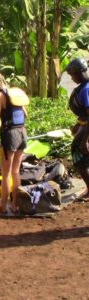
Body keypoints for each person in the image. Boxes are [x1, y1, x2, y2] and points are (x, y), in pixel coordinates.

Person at [0, 71, 27, 214]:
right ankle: (15, 204)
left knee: (6, 173)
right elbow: (25, 114)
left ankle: (3, 205)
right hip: (22, 132)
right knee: (16, 172)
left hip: (10, 134)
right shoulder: (15, 93)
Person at [66, 58, 89, 200]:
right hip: (84, 125)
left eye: (73, 75)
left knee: (80, 159)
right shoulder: (84, 87)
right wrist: (78, 124)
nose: (72, 78)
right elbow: (84, 115)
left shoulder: (86, 89)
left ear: (81, 72)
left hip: (87, 129)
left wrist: (84, 140)